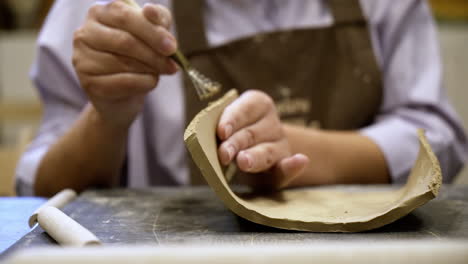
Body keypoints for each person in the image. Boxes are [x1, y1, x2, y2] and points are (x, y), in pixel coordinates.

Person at [16, 0, 467, 197]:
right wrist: (108, 117)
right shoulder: (106, 11)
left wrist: (294, 149)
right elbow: (40, 188)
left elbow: (438, 142)